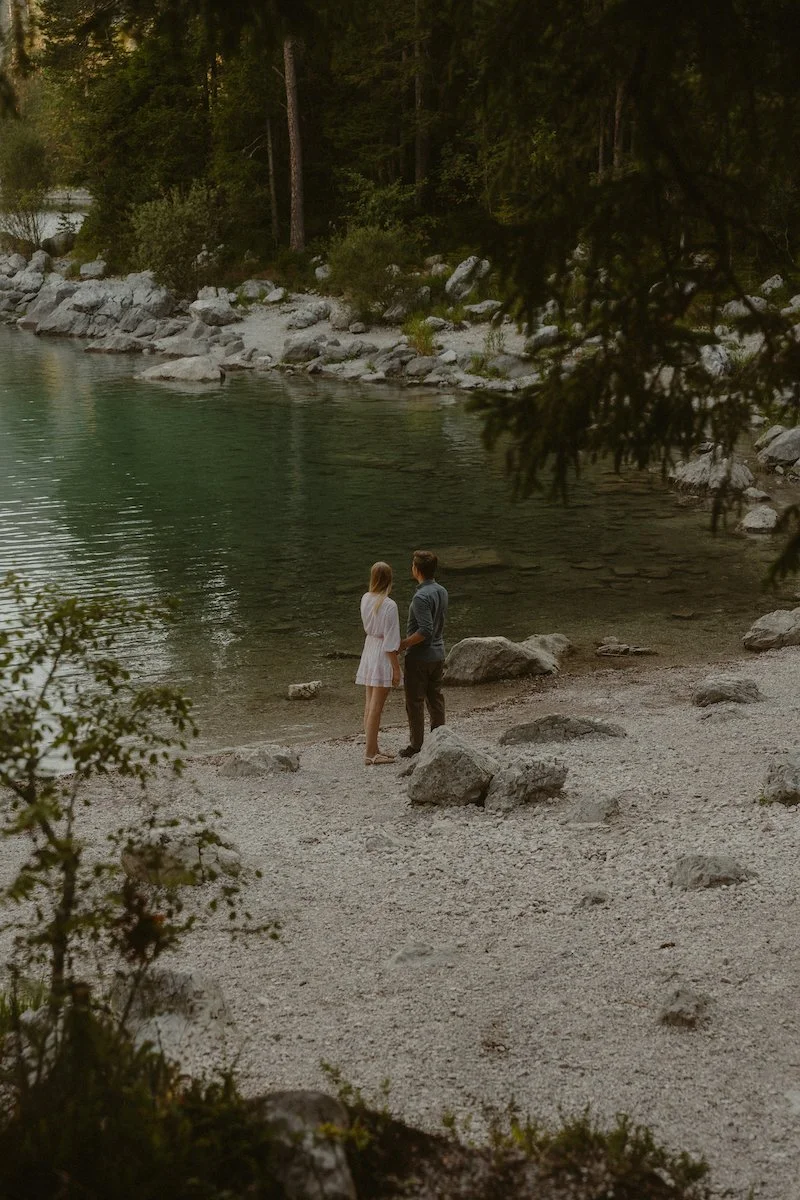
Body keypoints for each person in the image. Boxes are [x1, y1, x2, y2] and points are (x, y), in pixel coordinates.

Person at [398, 549, 448, 757]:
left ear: (417, 570)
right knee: (435, 698)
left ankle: (416, 745)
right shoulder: (442, 590)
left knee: (415, 702)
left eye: (412, 565)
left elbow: (425, 630)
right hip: (439, 653)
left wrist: (403, 644)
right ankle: (440, 738)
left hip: (420, 657)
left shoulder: (420, 597)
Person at [355, 561, 401, 765]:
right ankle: (370, 753)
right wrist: (396, 668)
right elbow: (391, 642)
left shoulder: (366, 598)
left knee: (369, 703)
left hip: (369, 648)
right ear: (389, 580)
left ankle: (373, 748)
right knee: (376, 707)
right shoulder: (389, 605)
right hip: (382, 653)